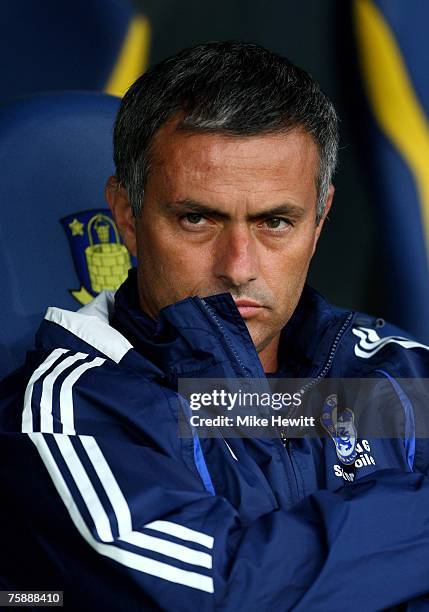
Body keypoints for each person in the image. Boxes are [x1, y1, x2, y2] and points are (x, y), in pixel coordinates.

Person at [2, 41, 429, 611]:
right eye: (197, 218)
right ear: (126, 215)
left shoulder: (398, 371)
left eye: (275, 222)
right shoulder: (69, 412)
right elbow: (229, 597)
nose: (239, 267)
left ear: (320, 219)